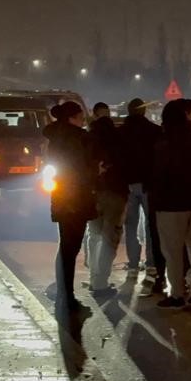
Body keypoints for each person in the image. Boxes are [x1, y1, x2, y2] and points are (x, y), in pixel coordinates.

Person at [150, 99, 191, 309]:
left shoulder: (162, 143)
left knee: (172, 252)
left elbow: (158, 175)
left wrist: (155, 201)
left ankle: (176, 294)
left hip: (170, 205)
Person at [43, 101, 96, 308]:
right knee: (71, 248)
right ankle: (67, 296)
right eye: (80, 115)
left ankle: (65, 291)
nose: (83, 118)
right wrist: (96, 172)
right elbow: (81, 171)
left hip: (62, 197)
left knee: (66, 247)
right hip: (77, 198)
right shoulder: (77, 138)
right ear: (72, 117)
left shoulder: (55, 137)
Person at [119, 98, 167, 294]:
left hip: (128, 185)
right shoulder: (154, 131)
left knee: (130, 225)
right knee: (150, 226)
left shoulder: (120, 133)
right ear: (144, 111)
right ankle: (151, 264)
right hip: (149, 185)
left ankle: (132, 265)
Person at [83, 102, 127, 299]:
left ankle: (94, 278)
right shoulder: (119, 139)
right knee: (111, 236)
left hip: (93, 191)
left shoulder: (86, 139)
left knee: (93, 234)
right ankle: (101, 281)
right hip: (116, 192)